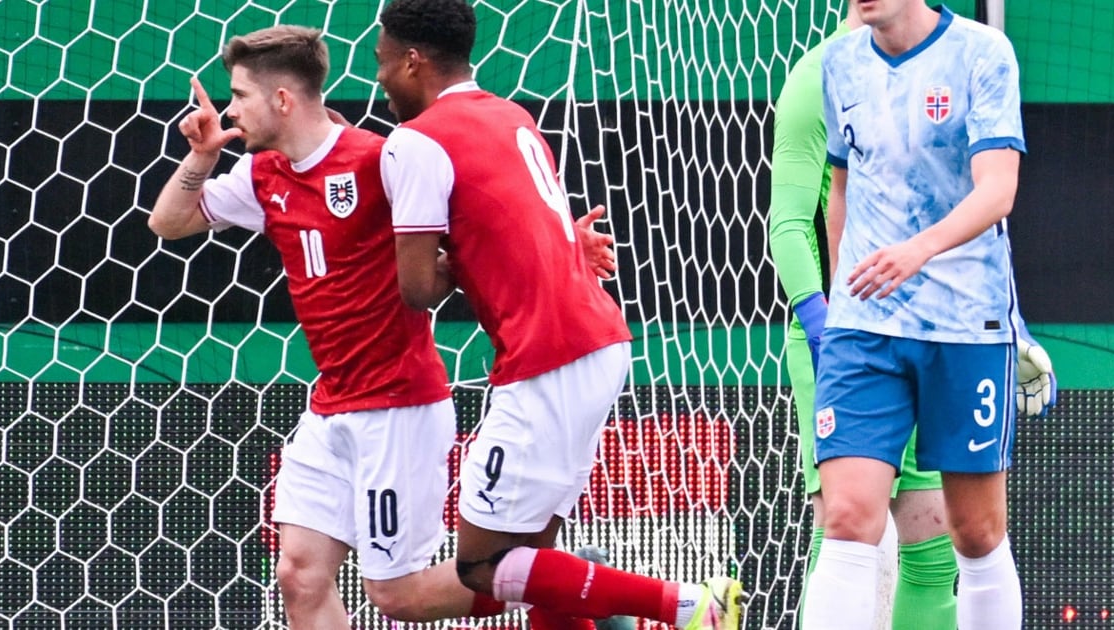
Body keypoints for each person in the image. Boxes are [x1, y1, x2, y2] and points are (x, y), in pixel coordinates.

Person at [147, 24, 548, 627]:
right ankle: (550, 579)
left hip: (398, 410)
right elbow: (168, 223)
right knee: (298, 575)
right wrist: (202, 157)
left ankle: (556, 581)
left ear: (282, 100)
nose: (229, 110)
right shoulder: (264, 176)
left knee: (398, 597)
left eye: (239, 95)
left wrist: (566, 245)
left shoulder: (379, 160)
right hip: (331, 407)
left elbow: (478, 230)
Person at [372, 1, 745, 628]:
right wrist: (557, 245)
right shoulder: (509, 114)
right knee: (533, 561)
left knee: (482, 566)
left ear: (413, 61)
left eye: (382, 62)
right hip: (594, 340)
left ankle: (685, 605)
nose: (379, 79)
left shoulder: (416, 140)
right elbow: (519, 223)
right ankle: (597, 589)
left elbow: (416, 288)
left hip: (549, 357)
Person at [800, 1, 1045, 628]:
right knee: (849, 518)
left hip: (963, 324)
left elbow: (999, 188)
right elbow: (845, 183)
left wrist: (917, 250)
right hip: (865, 329)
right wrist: (840, 297)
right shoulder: (838, 63)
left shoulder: (984, 53)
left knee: (975, 532)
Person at [768, 3, 956, 628]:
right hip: (846, 338)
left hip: (929, 332)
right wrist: (824, 328)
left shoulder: (954, 65)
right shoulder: (816, 76)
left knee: (933, 541)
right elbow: (789, 221)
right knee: (844, 529)